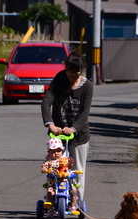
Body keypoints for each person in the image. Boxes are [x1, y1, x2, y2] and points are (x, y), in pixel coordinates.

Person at [41, 52, 93, 201]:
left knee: (77, 171)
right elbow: (46, 102)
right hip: (58, 135)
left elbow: (85, 112)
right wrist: (50, 124)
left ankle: (77, 202)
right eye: (70, 71)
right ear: (65, 69)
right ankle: (54, 200)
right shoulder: (59, 79)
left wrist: (74, 128)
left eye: (76, 72)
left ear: (81, 70)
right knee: (56, 168)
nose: (73, 75)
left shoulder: (87, 86)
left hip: (79, 135)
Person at [41, 137, 77, 217]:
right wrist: (44, 169)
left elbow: (68, 167)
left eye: (58, 151)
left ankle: (73, 205)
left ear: (62, 151)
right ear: (48, 152)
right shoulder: (48, 161)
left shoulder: (64, 159)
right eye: (53, 151)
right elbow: (44, 167)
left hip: (65, 181)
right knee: (50, 192)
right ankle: (49, 208)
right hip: (53, 183)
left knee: (74, 190)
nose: (56, 153)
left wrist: (70, 164)